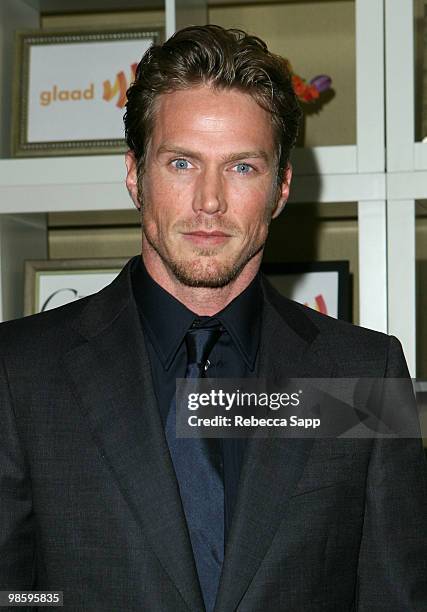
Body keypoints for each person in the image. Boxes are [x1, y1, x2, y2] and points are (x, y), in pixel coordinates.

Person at [0, 24, 426, 612]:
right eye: (181, 163)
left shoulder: (367, 371)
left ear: (280, 188)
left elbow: (394, 594)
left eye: (242, 167)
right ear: (135, 174)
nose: (209, 201)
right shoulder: (18, 371)